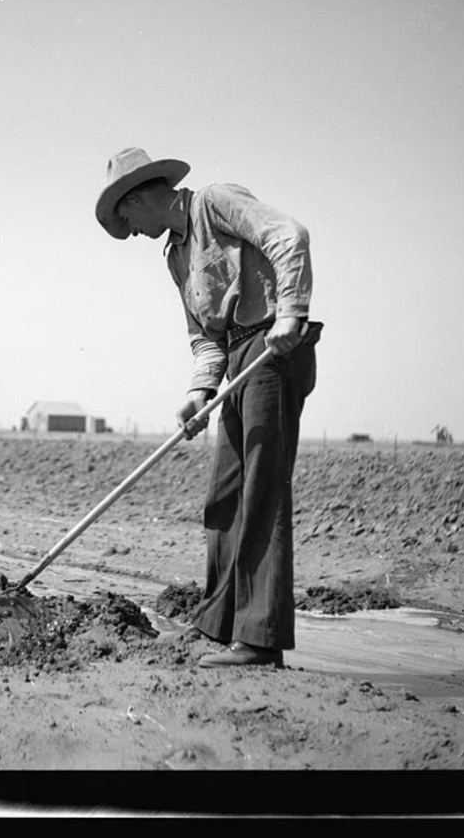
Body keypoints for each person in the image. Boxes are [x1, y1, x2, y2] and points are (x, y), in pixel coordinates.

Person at [95, 147, 321, 668]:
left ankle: (260, 641)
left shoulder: (216, 203)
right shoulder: (176, 255)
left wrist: (291, 310)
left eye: (125, 216)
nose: (128, 230)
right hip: (238, 358)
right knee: (225, 494)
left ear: (140, 197)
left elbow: (289, 236)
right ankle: (218, 626)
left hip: (273, 348)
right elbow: (204, 337)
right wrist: (199, 392)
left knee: (261, 491)